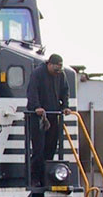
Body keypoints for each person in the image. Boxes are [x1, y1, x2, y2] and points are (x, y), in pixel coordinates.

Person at [26, 53, 70, 186]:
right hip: (38, 117)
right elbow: (32, 91)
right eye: (56, 69)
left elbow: (65, 91)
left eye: (59, 70)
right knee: (38, 149)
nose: (57, 73)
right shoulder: (37, 73)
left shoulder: (61, 75)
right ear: (49, 64)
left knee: (51, 147)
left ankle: (46, 177)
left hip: (53, 115)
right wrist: (36, 107)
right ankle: (34, 178)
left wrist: (66, 107)